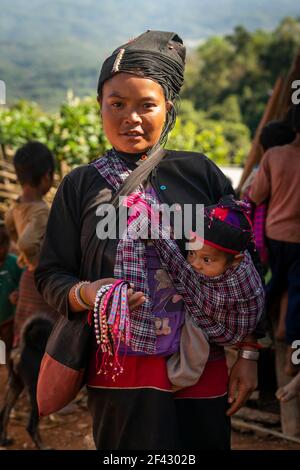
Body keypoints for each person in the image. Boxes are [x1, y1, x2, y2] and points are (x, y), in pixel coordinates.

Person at [35, 30, 263, 450]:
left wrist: (248, 354)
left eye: (146, 105)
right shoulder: (81, 186)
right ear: (100, 106)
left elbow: (242, 267)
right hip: (121, 367)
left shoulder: (199, 174)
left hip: (200, 360)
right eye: (116, 104)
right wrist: (88, 293)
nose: (130, 117)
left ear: (168, 109)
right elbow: (51, 275)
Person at [167, 195, 264, 390]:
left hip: (227, 327)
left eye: (207, 260)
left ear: (235, 261)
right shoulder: (216, 260)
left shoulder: (238, 281)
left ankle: (182, 376)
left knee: (194, 332)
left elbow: (243, 307)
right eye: (191, 252)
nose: (194, 264)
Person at [250, 104, 300, 376]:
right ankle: (292, 343)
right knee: (295, 288)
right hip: (298, 237)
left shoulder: (274, 156)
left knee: (274, 282)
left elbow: (256, 195)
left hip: (274, 233)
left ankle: (255, 324)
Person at [5, 141, 57, 345]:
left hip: (27, 277)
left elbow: (10, 226)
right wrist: (31, 257)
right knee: (44, 332)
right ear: (46, 177)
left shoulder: (17, 207)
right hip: (41, 279)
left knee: (26, 330)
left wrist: (24, 256)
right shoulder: (40, 210)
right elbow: (26, 243)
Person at [0, 222, 23, 370]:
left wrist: (18, 293)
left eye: (4, 244)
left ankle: (8, 382)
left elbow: (25, 287)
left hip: (8, 324)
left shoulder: (15, 263)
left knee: (7, 360)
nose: (2, 249)